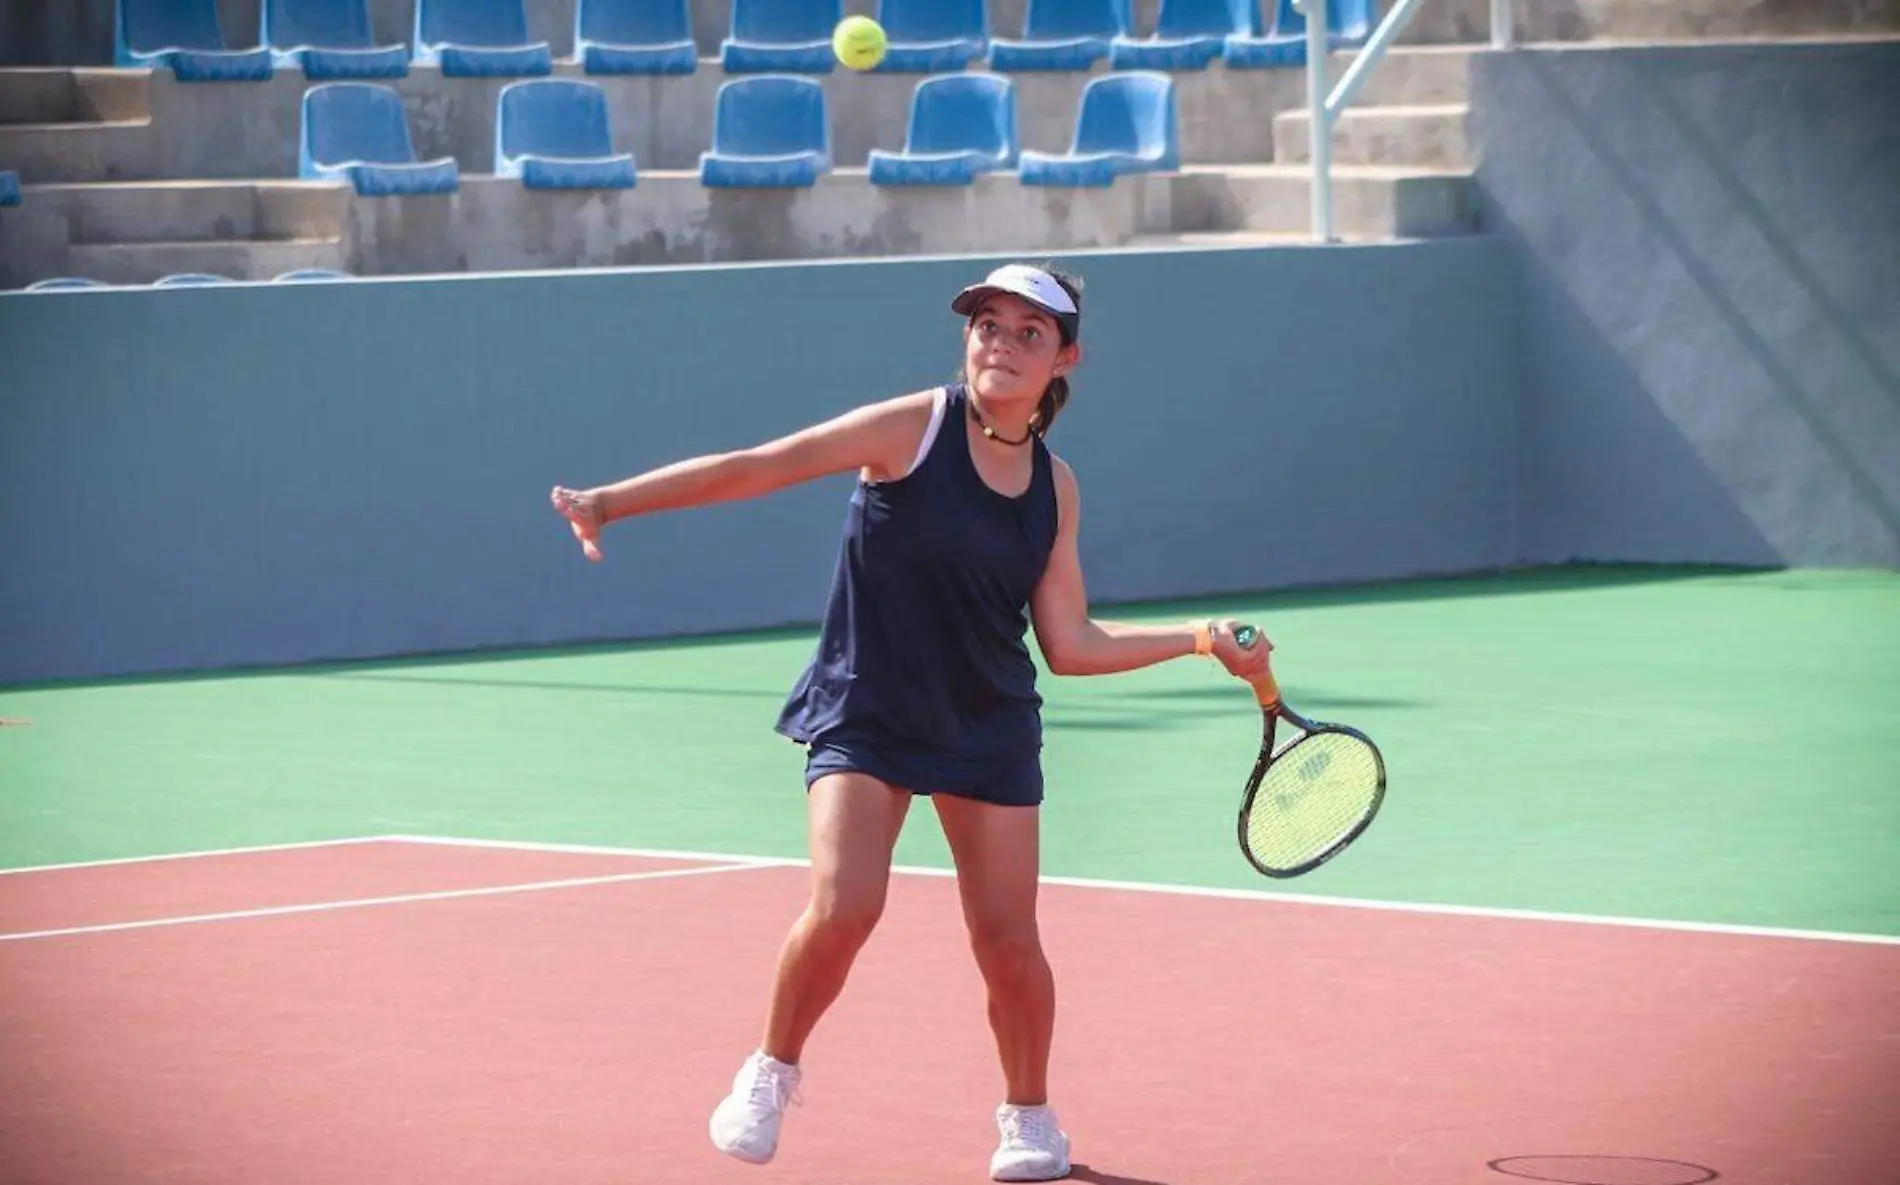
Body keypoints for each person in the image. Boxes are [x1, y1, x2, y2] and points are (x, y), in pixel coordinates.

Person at [549, 262, 1270, 1182]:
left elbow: (1072, 640)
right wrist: (614, 500)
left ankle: (1030, 1118)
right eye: (988, 325)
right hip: (869, 708)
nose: (1001, 344)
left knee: (1009, 944)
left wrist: (1203, 638)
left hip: (986, 722)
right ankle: (771, 1069)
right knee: (847, 905)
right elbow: (762, 467)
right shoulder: (910, 427)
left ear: (1066, 360)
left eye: (1028, 332)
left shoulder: (1057, 488)